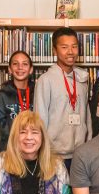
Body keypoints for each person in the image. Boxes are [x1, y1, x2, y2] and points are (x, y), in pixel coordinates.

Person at [35, 27, 92, 167]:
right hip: (54, 155)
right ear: (55, 50)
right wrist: (42, 153)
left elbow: (87, 116)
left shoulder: (82, 79)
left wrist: (89, 143)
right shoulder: (45, 80)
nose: (70, 52)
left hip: (81, 154)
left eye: (74, 46)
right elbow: (40, 118)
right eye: (64, 47)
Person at [0, 50, 35, 153]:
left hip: (33, 148)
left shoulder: (38, 93)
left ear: (31, 69)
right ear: (10, 69)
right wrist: (21, 137)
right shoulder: (1, 95)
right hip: (9, 150)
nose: (20, 67)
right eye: (15, 64)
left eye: (25, 64)